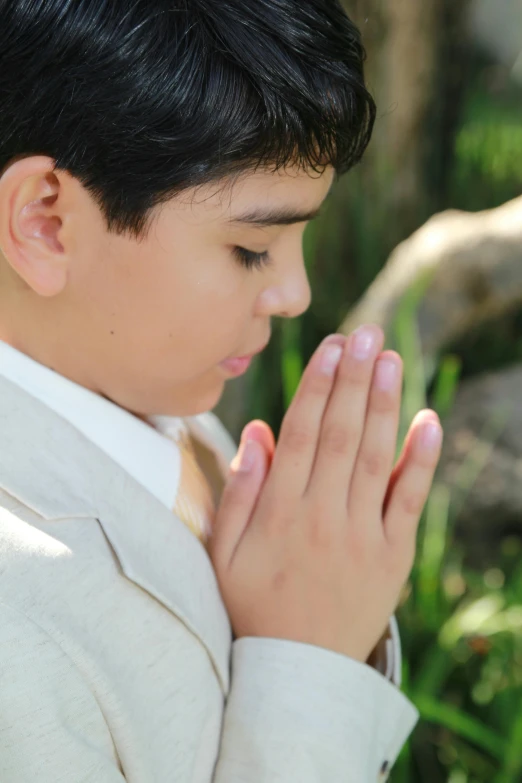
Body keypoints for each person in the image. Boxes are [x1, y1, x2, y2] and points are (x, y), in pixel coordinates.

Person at [0, 1, 443, 781]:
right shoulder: (18, 621)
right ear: (46, 221)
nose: (296, 292)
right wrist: (309, 657)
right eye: (252, 248)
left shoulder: (142, 391)